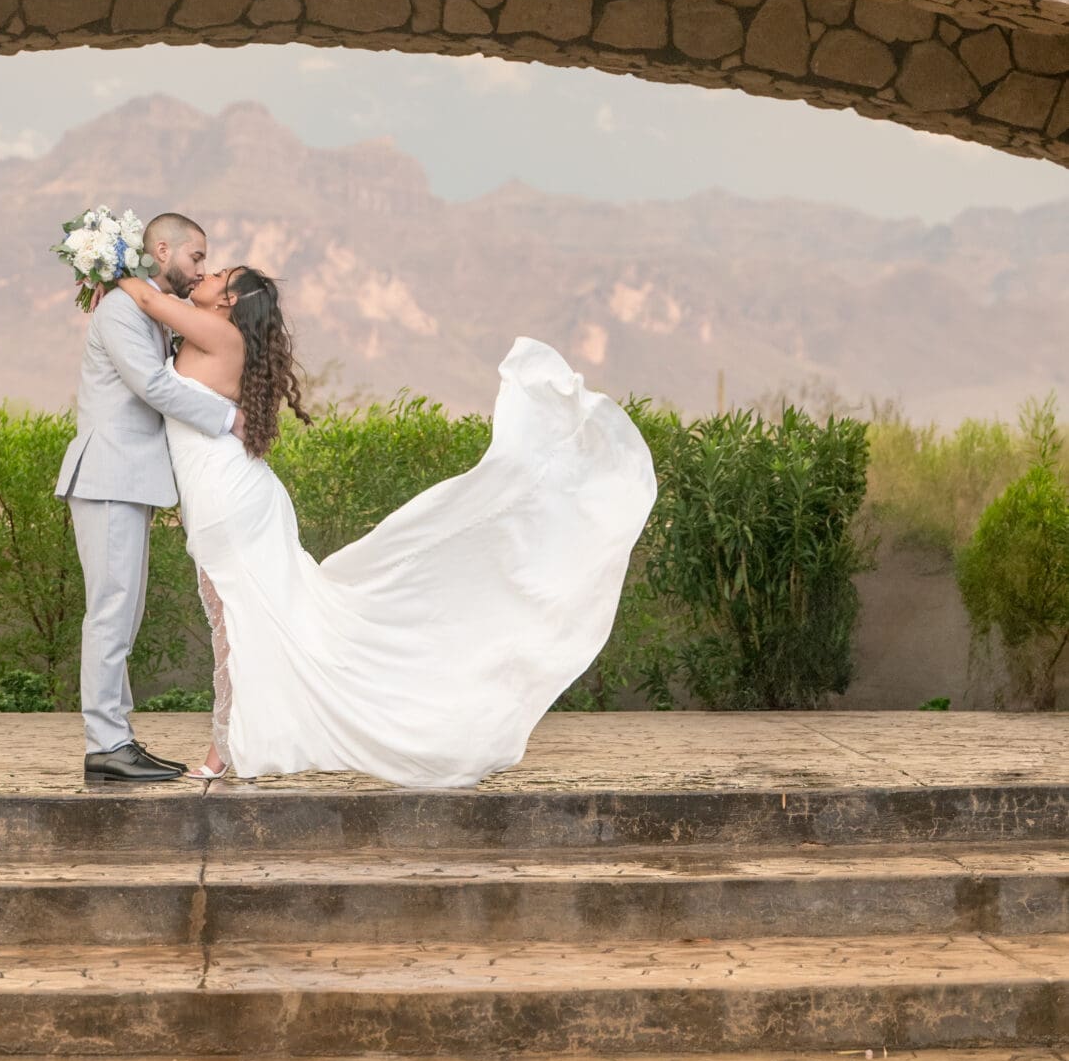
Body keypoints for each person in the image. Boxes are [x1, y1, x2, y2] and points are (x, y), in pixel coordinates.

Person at [112, 264, 656, 786]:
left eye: (216, 277)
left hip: (228, 502)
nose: (204, 278)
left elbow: (149, 298)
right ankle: (228, 748)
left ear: (229, 302)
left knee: (238, 625)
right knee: (244, 624)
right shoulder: (217, 333)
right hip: (227, 496)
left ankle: (223, 751)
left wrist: (104, 265)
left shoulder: (217, 333)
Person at [56, 211, 237, 784]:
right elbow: (153, 386)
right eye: (196, 257)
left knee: (123, 613)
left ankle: (117, 739)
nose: (201, 268)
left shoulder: (145, 309)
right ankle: (106, 745)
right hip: (109, 477)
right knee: (110, 612)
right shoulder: (118, 309)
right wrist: (232, 420)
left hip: (129, 479)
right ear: (162, 249)